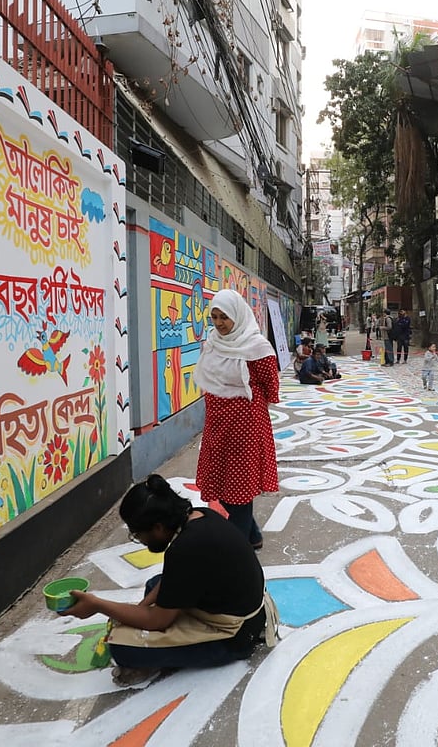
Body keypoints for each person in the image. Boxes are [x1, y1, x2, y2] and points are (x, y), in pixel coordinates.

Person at [62, 474, 271, 683]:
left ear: (158, 527)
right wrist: (140, 608)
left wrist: (97, 604)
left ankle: (154, 661)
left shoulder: (185, 549)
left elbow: (157, 621)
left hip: (237, 637)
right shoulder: (200, 515)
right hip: (249, 610)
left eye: (138, 534)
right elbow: (173, 578)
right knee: (155, 584)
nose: (140, 540)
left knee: (123, 648)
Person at [192, 289, 279, 548]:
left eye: (224, 317)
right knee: (222, 481)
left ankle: (238, 550)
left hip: (245, 428)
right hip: (217, 424)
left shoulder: (257, 348)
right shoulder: (213, 342)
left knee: (238, 489)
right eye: (214, 317)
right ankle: (252, 536)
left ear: (238, 316)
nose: (218, 323)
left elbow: (271, 387)